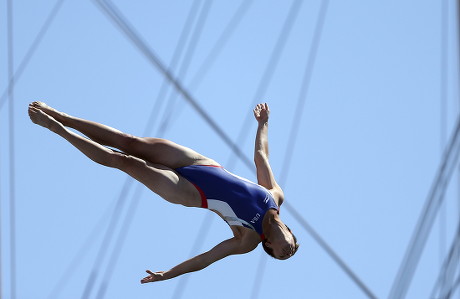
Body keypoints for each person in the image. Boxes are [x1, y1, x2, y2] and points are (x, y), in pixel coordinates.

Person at [28, 101, 299, 283]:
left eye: (281, 255)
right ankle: (62, 116)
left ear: (269, 246)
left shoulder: (248, 240)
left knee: (126, 161)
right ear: (289, 233)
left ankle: (56, 128)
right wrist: (263, 123)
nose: (287, 253)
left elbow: (206, 259)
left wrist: (168, 274)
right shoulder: (274, 196)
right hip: (200, 163)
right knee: (130, 142)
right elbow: (261, 155)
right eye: (292, 249)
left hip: (189, 192)